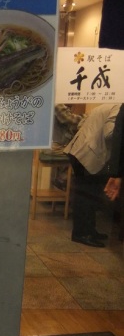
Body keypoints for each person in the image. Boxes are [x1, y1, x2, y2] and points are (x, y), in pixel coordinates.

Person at [64, 104, 124, 247]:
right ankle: (81, 233)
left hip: (82, 150)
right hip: (88, 153)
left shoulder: (111, 105)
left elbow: (81, 123)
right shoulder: (118, 107)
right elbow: (110, 133)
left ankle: (89, 230)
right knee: (86, 196)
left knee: (89, 194)